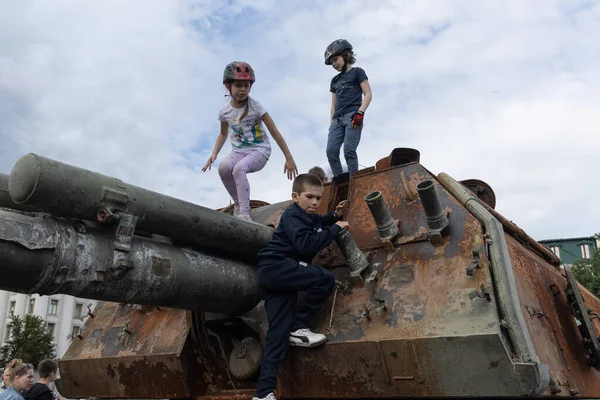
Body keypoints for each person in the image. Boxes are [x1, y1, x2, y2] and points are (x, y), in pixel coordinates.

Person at [252, 173, 349, 400]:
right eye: (309, 197)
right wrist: (336, 228)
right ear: (295, 196)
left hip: (273, 275)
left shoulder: (304, 215)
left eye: (318, 197)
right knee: (323, 279)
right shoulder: (294, 215)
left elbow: (318, 221)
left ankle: (263, 393)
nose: (315, 202)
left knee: (277, 335)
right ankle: (300, 326)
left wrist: (334, 216)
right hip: (278, 267)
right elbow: (306, 245)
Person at [203, 61, 298, 221]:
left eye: (246, 86)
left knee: (239, 169)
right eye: (238, 85)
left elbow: (275, 133)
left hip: (260, 151)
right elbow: (222, 134)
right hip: (239, 151)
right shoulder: (225, 111)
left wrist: (288, 158)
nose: (242, 90)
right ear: (229, 86)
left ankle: (245, 213)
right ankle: (238, 204)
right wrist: (214, 153)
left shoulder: (256, 107)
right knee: (224, 168)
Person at [324, 39, 372, 178]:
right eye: (331, 62)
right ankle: (340, 181)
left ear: (345, 55)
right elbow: (333, 104)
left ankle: (354, 182)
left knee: (349, 150)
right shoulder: (334, 81)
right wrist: (332, 123)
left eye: (335, 59)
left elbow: (368, 94)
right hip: (337, 119)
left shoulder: (358, 72)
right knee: (331, 151)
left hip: (353, 116)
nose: (333, 64)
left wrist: (360, 113)